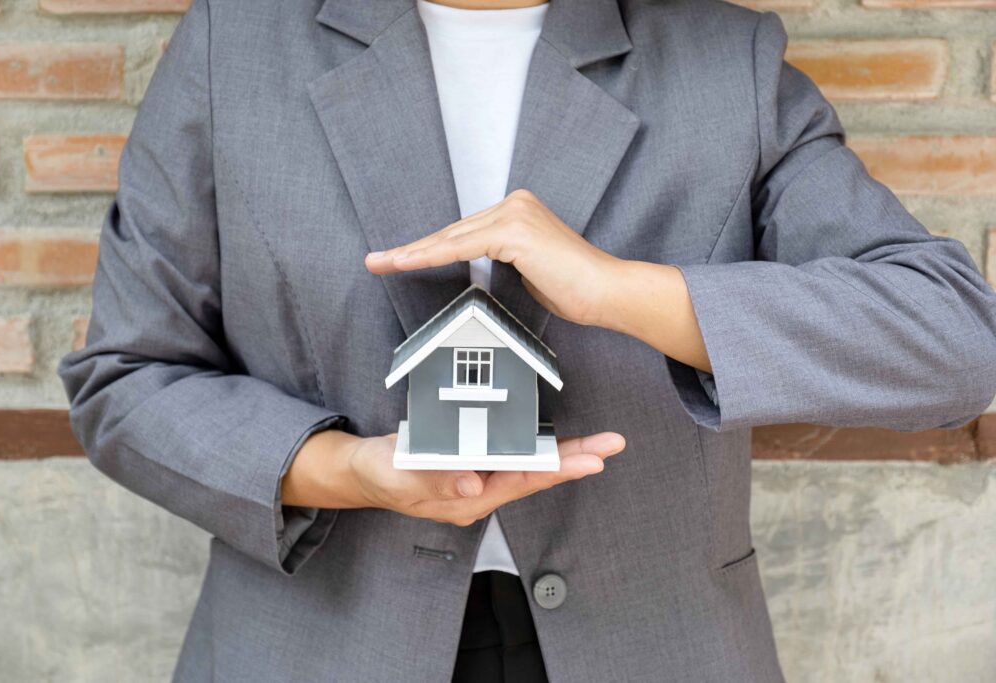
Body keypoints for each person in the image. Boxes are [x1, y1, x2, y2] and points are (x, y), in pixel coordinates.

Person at [57, 0, 996, 680]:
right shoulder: (237, 43)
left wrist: (622, 290)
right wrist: (342, 468)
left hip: (656, 644)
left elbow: (956, 338)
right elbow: (127, 377)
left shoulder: (727, 60)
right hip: (319, 638)